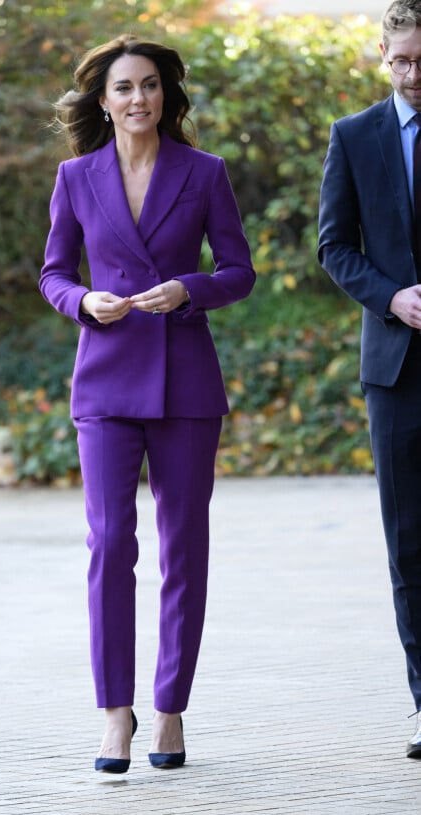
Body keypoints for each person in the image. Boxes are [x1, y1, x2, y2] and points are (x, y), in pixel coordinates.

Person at [39, 35, 255, 773]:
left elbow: (239, 269)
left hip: (187, 381)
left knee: (183, 548)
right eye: (124, 88)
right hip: (104, 380)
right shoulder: (75, 176)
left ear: (166, 95)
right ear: (103, 101)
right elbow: (53, 272)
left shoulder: (205, 172)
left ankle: (169, 710)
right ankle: (112, 714)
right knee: (109, 546)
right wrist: (81, 299)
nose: (139, 99)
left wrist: (191, 289)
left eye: (151, 86)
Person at [318, 0, 421, 759]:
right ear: (383, 56)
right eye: (404, 61)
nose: (415, 75)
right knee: (410, 541)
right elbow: (335, 246)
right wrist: (391, 296)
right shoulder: (353, 137)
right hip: (397, 368)